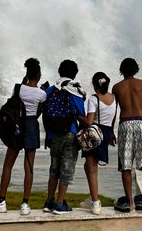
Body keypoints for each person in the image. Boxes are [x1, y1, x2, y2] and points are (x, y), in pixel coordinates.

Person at [0, 58, 47, 215]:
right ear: (39, 75)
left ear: (26, 74)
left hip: (17, 127)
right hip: (32, 127)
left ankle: (1, 201)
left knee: (8, 165)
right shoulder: (42, 94)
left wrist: (22, 83)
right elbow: (38, 112)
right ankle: (25, 204)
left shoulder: (18, 88)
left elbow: (15, 103)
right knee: (29, 167)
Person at [112, 58, 142, 212]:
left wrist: (111, 130)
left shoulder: (117, 87)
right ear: (136, 69)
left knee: (125, 166)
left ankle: (131, 204)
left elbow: (114, 110)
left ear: (121, 70)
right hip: (141, 122)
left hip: (125, 123)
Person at [42, 59, 87, 215]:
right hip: (70, 133)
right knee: (66, 169)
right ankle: (60, 203)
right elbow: (82, 114)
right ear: (74, 74)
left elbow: (44, 110)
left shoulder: (50, 90)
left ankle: (49, 201)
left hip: (53, 135)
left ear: (60, 71)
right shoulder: (75, 90)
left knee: (54, 167)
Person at [79, 72, 117, 215]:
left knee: (91, 166)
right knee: (90, 165)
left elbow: (89, 121)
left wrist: (77, 116)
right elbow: (113, 118)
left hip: (94, 133)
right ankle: (92, 196)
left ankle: (95, 202)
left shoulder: (93, 99)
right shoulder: (114, 98)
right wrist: (112, 132)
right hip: (106, 133)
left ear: (95, 85)